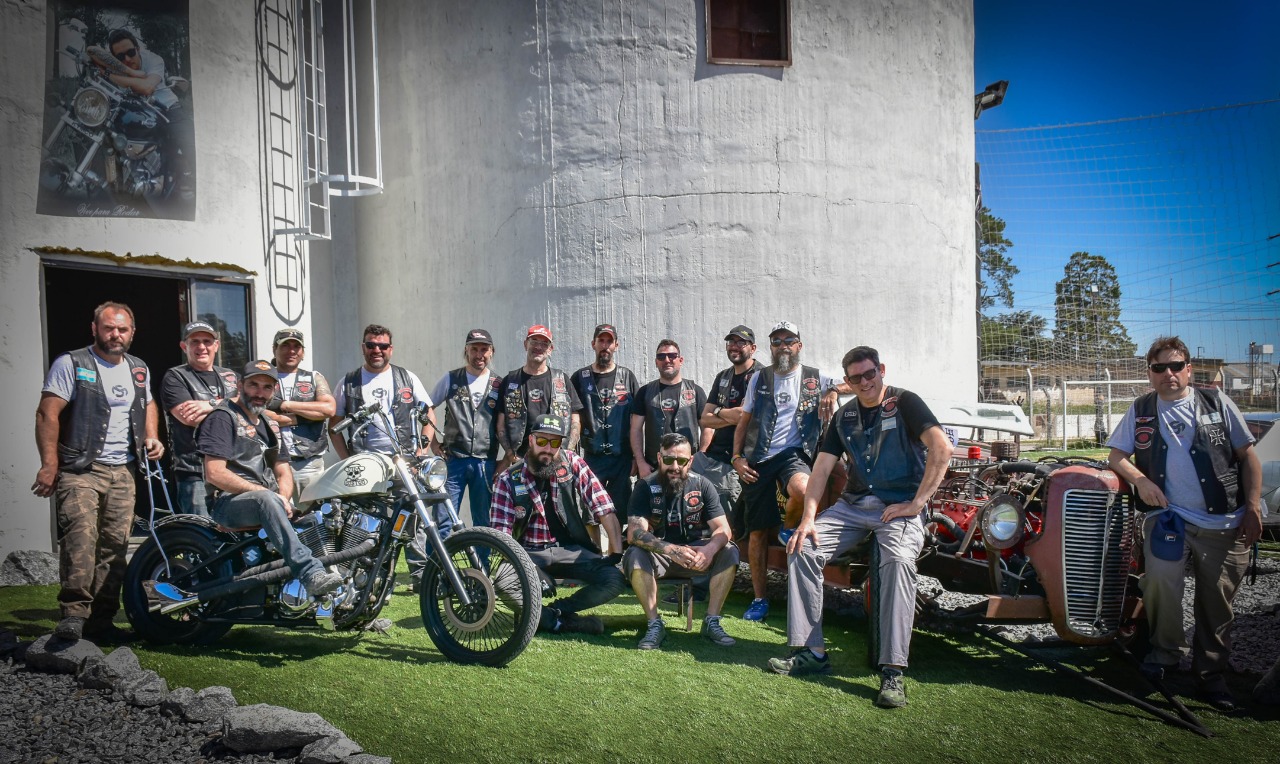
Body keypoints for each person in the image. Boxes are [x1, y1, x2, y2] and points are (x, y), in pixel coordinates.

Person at [768, 346, 951, 710]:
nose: (865, 382)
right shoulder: (845, 416)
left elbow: (941, 449)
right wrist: (807, 518)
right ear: (847, 381)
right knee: (802, 546)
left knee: (898, 562)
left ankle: (893, 670)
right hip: (853, 507)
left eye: (870, 374)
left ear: (881, 370)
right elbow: (820, 471)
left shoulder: (906, 403)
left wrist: (916, 504)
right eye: (856, 378)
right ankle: (811, 652)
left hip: (898, 507)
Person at [1106, 336, 1262, 713]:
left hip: (1223, 522)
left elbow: (1249, 456)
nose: (1169, 374)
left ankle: (1210, 674)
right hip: (1169, 518)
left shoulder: (1217, 401)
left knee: (1217, 603)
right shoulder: (1141, 408)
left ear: (1189, 370)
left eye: (1176, 366)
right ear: (1150, 373)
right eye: (1160, 368)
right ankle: (1165, 655)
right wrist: (1140, 480)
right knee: (1159, 583)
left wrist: (1254, 508)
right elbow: (1116, 455)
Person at [33, 302, 164, 643]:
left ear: (132, 332)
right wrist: (50, 465)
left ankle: (101, 622)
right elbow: (48, 414)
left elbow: (149, 403)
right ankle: (74, 616)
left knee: (115, 548)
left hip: (123, 471)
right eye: (108, 328)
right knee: (80, 540)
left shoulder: (138, 368)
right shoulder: (72, 363)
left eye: (122, 329)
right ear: (95, 329)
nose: (115, 335)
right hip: (80, 469)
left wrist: (152, 436)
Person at [731, 322, 845, 622]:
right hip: (758, 459)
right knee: (756, 532)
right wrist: (736, 458)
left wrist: (832, 390)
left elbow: (853, 383)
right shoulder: (759, 377)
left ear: (799, 345)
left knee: (806, 490)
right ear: (770, 347)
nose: (783, 346)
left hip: (793, 455)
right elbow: (744, 421)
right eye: (776, 341)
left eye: (789, 340)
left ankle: (789, 526)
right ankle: (759, 598)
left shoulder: (814, 376)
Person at [200, 361, 342, 597]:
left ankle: (344, 601)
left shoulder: (268, 423)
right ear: (240, 385)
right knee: (266, 499)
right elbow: (215, 473)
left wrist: (283, 499)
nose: (260, 393)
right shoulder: (223, 418)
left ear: (274, 391)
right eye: (254, 385)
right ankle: (310, 573)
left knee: (320, 520)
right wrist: (267, 495)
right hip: (226, 503)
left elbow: (283, 470)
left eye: (266, 387)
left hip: (266, 502)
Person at [490, 414, 625, 635]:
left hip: (571, 551)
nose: (548, 449)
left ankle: (555, 613)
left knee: (615, 580)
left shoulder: (572, 463)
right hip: (528, 553)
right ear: (531, 440)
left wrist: (616, 555)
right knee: (503, 582)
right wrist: (529, 567)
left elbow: (604, 508)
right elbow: (501, 538)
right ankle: (560, 623)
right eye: (542, 441)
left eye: (555, 443)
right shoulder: (507, 480)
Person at [330, 323, 439, 590]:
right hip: (365, 465)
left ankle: (418, 577)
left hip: (403, 462)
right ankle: (369, 578)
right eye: (371, 345)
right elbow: (334, 427)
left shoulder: (407, 378)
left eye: (382, 346)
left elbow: (429, 415)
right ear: (363, 347)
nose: (376, 350)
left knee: (413, 518)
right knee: (367, 523)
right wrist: (347, 459)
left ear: (391, 349)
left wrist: (420, 451)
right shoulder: (348, 381)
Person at [624, 433, 739, 650]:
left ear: (691, 461)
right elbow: (635, 533)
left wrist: (711, 550)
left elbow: (723, 529)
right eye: (668, 460)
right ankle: (654, 623)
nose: (675, 466)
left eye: (681, 461)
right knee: (635, 554)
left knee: (729, 551)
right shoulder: (645, 486)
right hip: (660, 556)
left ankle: (711, 621)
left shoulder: (703, 485)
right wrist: (671, 550)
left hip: (697, 555)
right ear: (659, 458)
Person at [91, 29, 195, 199]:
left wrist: (112, 74)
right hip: (135, 109)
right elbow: (91, 51)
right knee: (108, 138)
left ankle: (199, 187)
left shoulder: (154, 59)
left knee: (190, 143)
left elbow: (147, 88)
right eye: (120, 57)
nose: (127, 59)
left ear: (138, 49)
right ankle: (114, 188)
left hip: (167, 108)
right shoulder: (117, 65)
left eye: (131, 52)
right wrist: (124, 72)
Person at [161, 320, 238, 517]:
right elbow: (189, 417)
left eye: (207, 341)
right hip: (195, 472)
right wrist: (231, 407)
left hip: (233, 469)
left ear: (217, 345)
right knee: (202, 537)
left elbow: (250, 410)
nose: (202, 347)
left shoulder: (231, 376)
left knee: (236, 536)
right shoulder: (175, 376)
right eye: (195, 341)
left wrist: (209, 405)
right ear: (184, 346)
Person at [429, 329, 501, 527]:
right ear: (466, 350)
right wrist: (433, 445)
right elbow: (426, 409)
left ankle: (481, 560)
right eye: (474, 349)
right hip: (453, 461)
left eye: (484, 349)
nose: (479, 355)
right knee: (443, 518)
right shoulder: (451, 379)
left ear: (491, 351)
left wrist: (508, 458)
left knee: (483, 521)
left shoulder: (499, 384)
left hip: (485, 462)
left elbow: (506, 424)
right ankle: (436, 558)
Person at [496, 325, 583, 475]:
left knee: (558, 499)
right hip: (521, 460)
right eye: (534, 341)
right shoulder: (510, 381)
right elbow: (500, 424)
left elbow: (575, 419)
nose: (538, 347)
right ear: (525, 344)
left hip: (555, 459)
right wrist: (510, 454)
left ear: (550, 349)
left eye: (544, 344)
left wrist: (567, 451)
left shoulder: (561, 379)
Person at [572, 324, 639, 514]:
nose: (605, 345)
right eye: (601, 341)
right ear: (593, 344)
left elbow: (637, 421)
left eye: (609, 341)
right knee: (590, 511)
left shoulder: (627, 377)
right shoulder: (579, 377)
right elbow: (573, 419)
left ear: (616, 345)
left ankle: (615, 545)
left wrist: (636, 456)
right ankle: (594, 545)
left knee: (621, 510)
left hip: (622, 457)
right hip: (592, 457)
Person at [699, 324, 762, 521]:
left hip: (739, 461)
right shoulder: (723, 376)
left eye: (740, 342)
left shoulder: (761, 376)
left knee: (725, 520)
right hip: (713, 457)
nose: (734, 346)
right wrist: (727, 414)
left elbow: (744, 417)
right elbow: (704, 419)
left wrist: (718, 412)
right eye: (731, 341)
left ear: (752, 348)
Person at [262, 328, 335, 499]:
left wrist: (283, 405)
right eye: (285, 345)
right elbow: (256, 413)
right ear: (274, 349)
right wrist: (309, 416)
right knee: (278, 514)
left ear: (303, 352)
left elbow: (329, 409)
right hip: (272, 463)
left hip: (309, 462)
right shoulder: (262, 378)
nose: (292, 351)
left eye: (297, 346)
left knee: (311, 517)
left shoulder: (314, 377)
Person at [629, 339, 711, 478]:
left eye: (672, 356)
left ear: (680, 360)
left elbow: (708, 428)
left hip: (688, 468)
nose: (667, 360)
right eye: (661, 357)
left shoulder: (696, 391)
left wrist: (700, 458)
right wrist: (641, 462)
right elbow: (635, 429)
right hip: (654, 467)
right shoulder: (645, 392)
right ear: (656, 362)